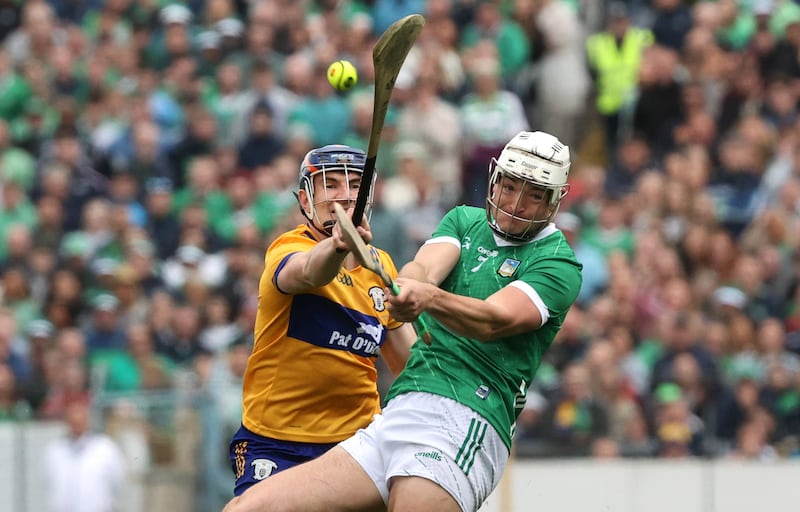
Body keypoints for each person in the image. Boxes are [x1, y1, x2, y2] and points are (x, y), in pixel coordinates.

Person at [223, 130, 583, 512]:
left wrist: (426, 297)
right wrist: (409, 286)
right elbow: (416, 269)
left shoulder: (558, 263)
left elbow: (495, 319)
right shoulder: (463, 220)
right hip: (382, 416)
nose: (516, 203)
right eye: (509, 187)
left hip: (465, 412)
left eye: (533, 194)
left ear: (556, 199)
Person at [227, 144, 418, 496]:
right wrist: (338, 246)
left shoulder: (381, 267)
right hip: (276, 442)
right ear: (305, 198)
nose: (344, 197)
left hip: (355, 444)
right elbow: (311, 272)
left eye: (355, 185)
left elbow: (410, 363)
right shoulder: (288, 249)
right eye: (330, 185)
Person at [44, 397, 127, 512]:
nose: (76, 422)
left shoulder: (105, 448)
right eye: (72, 419)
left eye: (80, 418)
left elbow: (118, 482)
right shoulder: (55, 450)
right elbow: (50, 482)